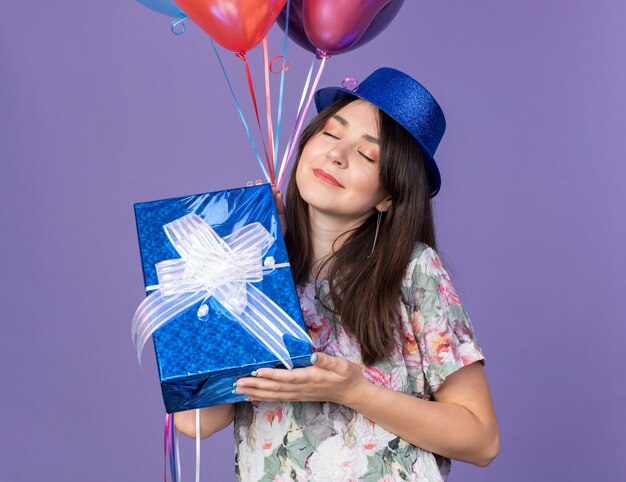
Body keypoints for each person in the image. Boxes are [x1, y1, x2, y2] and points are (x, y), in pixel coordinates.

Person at [175, 67, 500, 481]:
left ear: (388, 195)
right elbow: (197, 423)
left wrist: (354, 392)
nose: (336, 155)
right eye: (330, 133)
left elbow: (482, 440)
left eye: (367, 154)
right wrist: (238, 267)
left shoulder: (413, 271)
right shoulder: (254, 275)